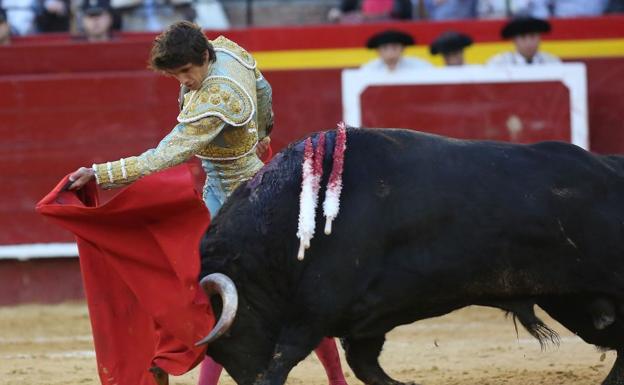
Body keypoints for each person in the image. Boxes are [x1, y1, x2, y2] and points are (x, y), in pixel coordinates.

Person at [67, 21, 348, 385]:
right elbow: (264, 88)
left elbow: (165, 155)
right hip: (221, 190)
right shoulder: (227, 51)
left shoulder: (218, 97)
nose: (183, 80)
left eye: (186, 71)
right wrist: (263, 130)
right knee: (213, 291)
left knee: (281, 295)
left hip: (248, 201)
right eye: (175, 75)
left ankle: (337, 380)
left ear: (203, 57)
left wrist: (101, 173)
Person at [486, 16, 561, 66]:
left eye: (533, 36)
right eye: (523, 37)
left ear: (539, 38)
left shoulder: (551, 62)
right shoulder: (499, 63)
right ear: (514, 40)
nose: (529, 43)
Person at [361, 29, 432, 73]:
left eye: (394, 48)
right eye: (385, 48)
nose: (390, 53)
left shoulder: (420, 66)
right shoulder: (369, 69)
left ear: (403, 49)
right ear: (378, 51)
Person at [328, 0, 412, 23]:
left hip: (390, 34)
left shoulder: (403, 2)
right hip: (361, 35)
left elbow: (408, 19)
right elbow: (338, 12)